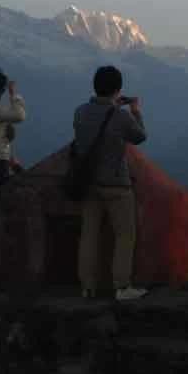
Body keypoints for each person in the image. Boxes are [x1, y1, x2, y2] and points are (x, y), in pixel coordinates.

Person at [74, 65, 149, 301]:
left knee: (89, 234)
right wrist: (136, 111)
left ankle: (87, 286)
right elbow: (140, 136)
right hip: (116, 183)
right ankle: (121, 285)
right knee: (125, 234)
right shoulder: (121, 116)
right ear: (118, 90)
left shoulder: (80, 112)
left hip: (88, 182)